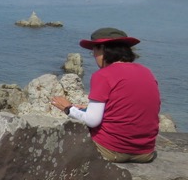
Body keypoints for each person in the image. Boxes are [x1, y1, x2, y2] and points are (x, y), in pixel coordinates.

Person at [51, 27, 160, 163]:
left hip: (112, 150)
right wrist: (87, 108)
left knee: (61, 137)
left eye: (94, 52)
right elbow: (136, 105)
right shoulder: (146, 72)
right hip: (145, 152)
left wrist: (68, 109)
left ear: (103, 49)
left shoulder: (103, 75)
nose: (94, 57)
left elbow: (92, 121)